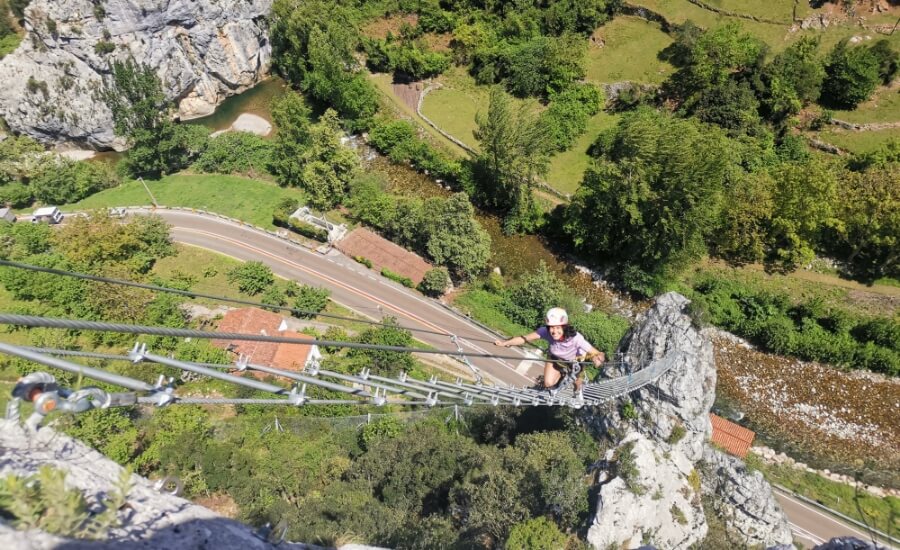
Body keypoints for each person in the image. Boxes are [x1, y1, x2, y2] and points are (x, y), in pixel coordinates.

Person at [494, 307, 605, 398]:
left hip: (574, 361)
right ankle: (561, 378)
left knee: (577, 384)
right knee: (548, 383)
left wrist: (598, 359)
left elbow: (596, 353)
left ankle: (578, 387)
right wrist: (505, 343)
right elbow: (525, 338)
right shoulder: (544, 331)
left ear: (564, 327)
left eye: (557, 328)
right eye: (551, 327)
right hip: (555, 358)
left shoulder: (576, 338)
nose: (554, 331)